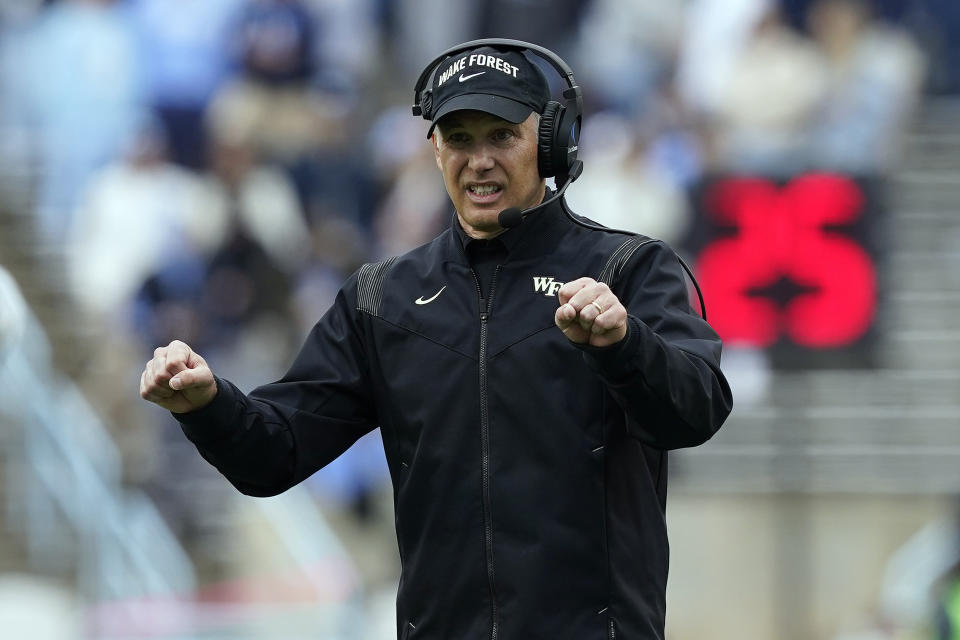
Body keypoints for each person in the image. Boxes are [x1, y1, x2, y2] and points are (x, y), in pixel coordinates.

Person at [140, 39, 733, 639]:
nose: (479, 160)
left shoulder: (629, 270)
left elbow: (696, 411)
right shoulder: (381, 298)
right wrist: (207, 405)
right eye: (460, 138)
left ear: (550, 143)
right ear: (434, 148)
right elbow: (274, 455)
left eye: (501, 136)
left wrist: (623, 344)